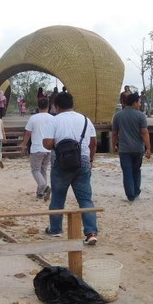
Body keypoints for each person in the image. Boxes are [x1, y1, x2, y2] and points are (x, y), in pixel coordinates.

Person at [43, 92, 99, 245]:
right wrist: (90, 159)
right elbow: (93, 142)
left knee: (58, 198)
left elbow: (47, 144)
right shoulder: (86, 120)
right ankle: (91, 232)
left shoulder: (54, 121)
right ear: (72, 104)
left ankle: (55, 229)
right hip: (83, 162)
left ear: (56, 106)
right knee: (86, 199)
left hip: (60, 163)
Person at [111, 93, 151, 202]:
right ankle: (137, 191)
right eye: (139, 102)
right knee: (136, 170)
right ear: (134, 103)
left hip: (124, 149)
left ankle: (130, 195)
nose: (140, 104)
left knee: (127, 172)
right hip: (138, 148)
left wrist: (113, 145)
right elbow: (144, 132)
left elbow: (114, 133)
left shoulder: (118, 115)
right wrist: (148, 148)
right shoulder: (141, 115)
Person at [23, 98, 54, 200]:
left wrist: (24, 144)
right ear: (48, 106)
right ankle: (40, 193)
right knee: (43, 170)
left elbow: (28, 132)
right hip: (48, 148)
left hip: (37, 148)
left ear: (38, 107)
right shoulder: (52, 118)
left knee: (35, 170)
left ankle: (43, 186)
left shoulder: (33, 118)